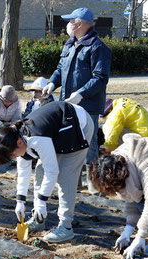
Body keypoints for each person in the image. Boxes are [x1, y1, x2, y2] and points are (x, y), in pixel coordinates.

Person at [0, 101, 94, 243]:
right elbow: (23, 171)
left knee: (65, 176)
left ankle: (66, 227)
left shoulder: (35, 138)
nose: (15, 158)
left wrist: (41, 201)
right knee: (39, 170)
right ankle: (38, 219)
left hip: (77, 125)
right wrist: (20, 201)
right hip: (57, 131)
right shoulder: (16, 137)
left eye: (13, 155)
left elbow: (52, 171)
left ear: (19, 143)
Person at [42, 7, 111, 194]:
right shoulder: (69, 45)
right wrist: (51, 83)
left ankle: (93, 182)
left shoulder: (98, 48)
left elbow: (100, 77)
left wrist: (81, 94)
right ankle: (73, 180)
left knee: (89, 144)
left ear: (79, 24)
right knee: (69, 140)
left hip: (87, 105)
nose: (67, 25)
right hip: (68, 104)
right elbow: (60, 69)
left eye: (70, 21)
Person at [91, 134, 148, 259]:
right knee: (141, 203)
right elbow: (132, 196)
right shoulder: (122, 159)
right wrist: (128, 230)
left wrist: (141, 236)